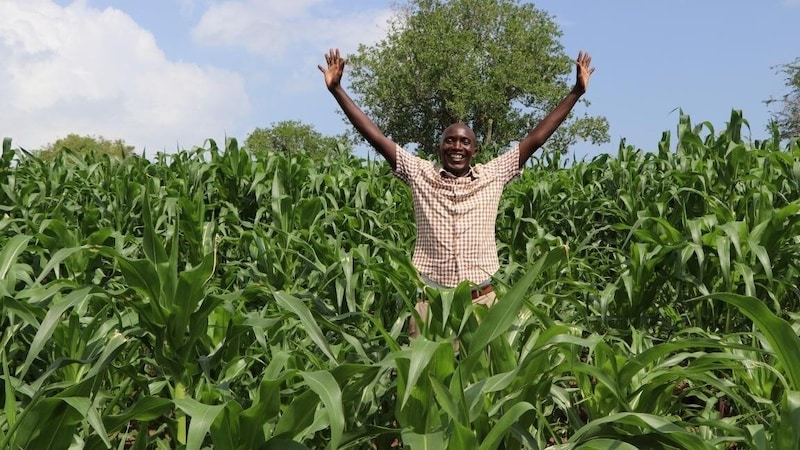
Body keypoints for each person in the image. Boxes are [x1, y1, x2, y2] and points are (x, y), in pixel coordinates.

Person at [318, 48, 595, 338]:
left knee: (485, 380)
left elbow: (537, 138)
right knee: (425, 379)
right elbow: (375, 136)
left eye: (464, 142)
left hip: (481, 303)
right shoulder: (419, 173)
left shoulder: (493, 175)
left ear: (474, 150)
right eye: (450, 141)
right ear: (440, 147)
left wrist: (575, 92)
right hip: (431, 304)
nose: (457, 146)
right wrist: (337, 90)